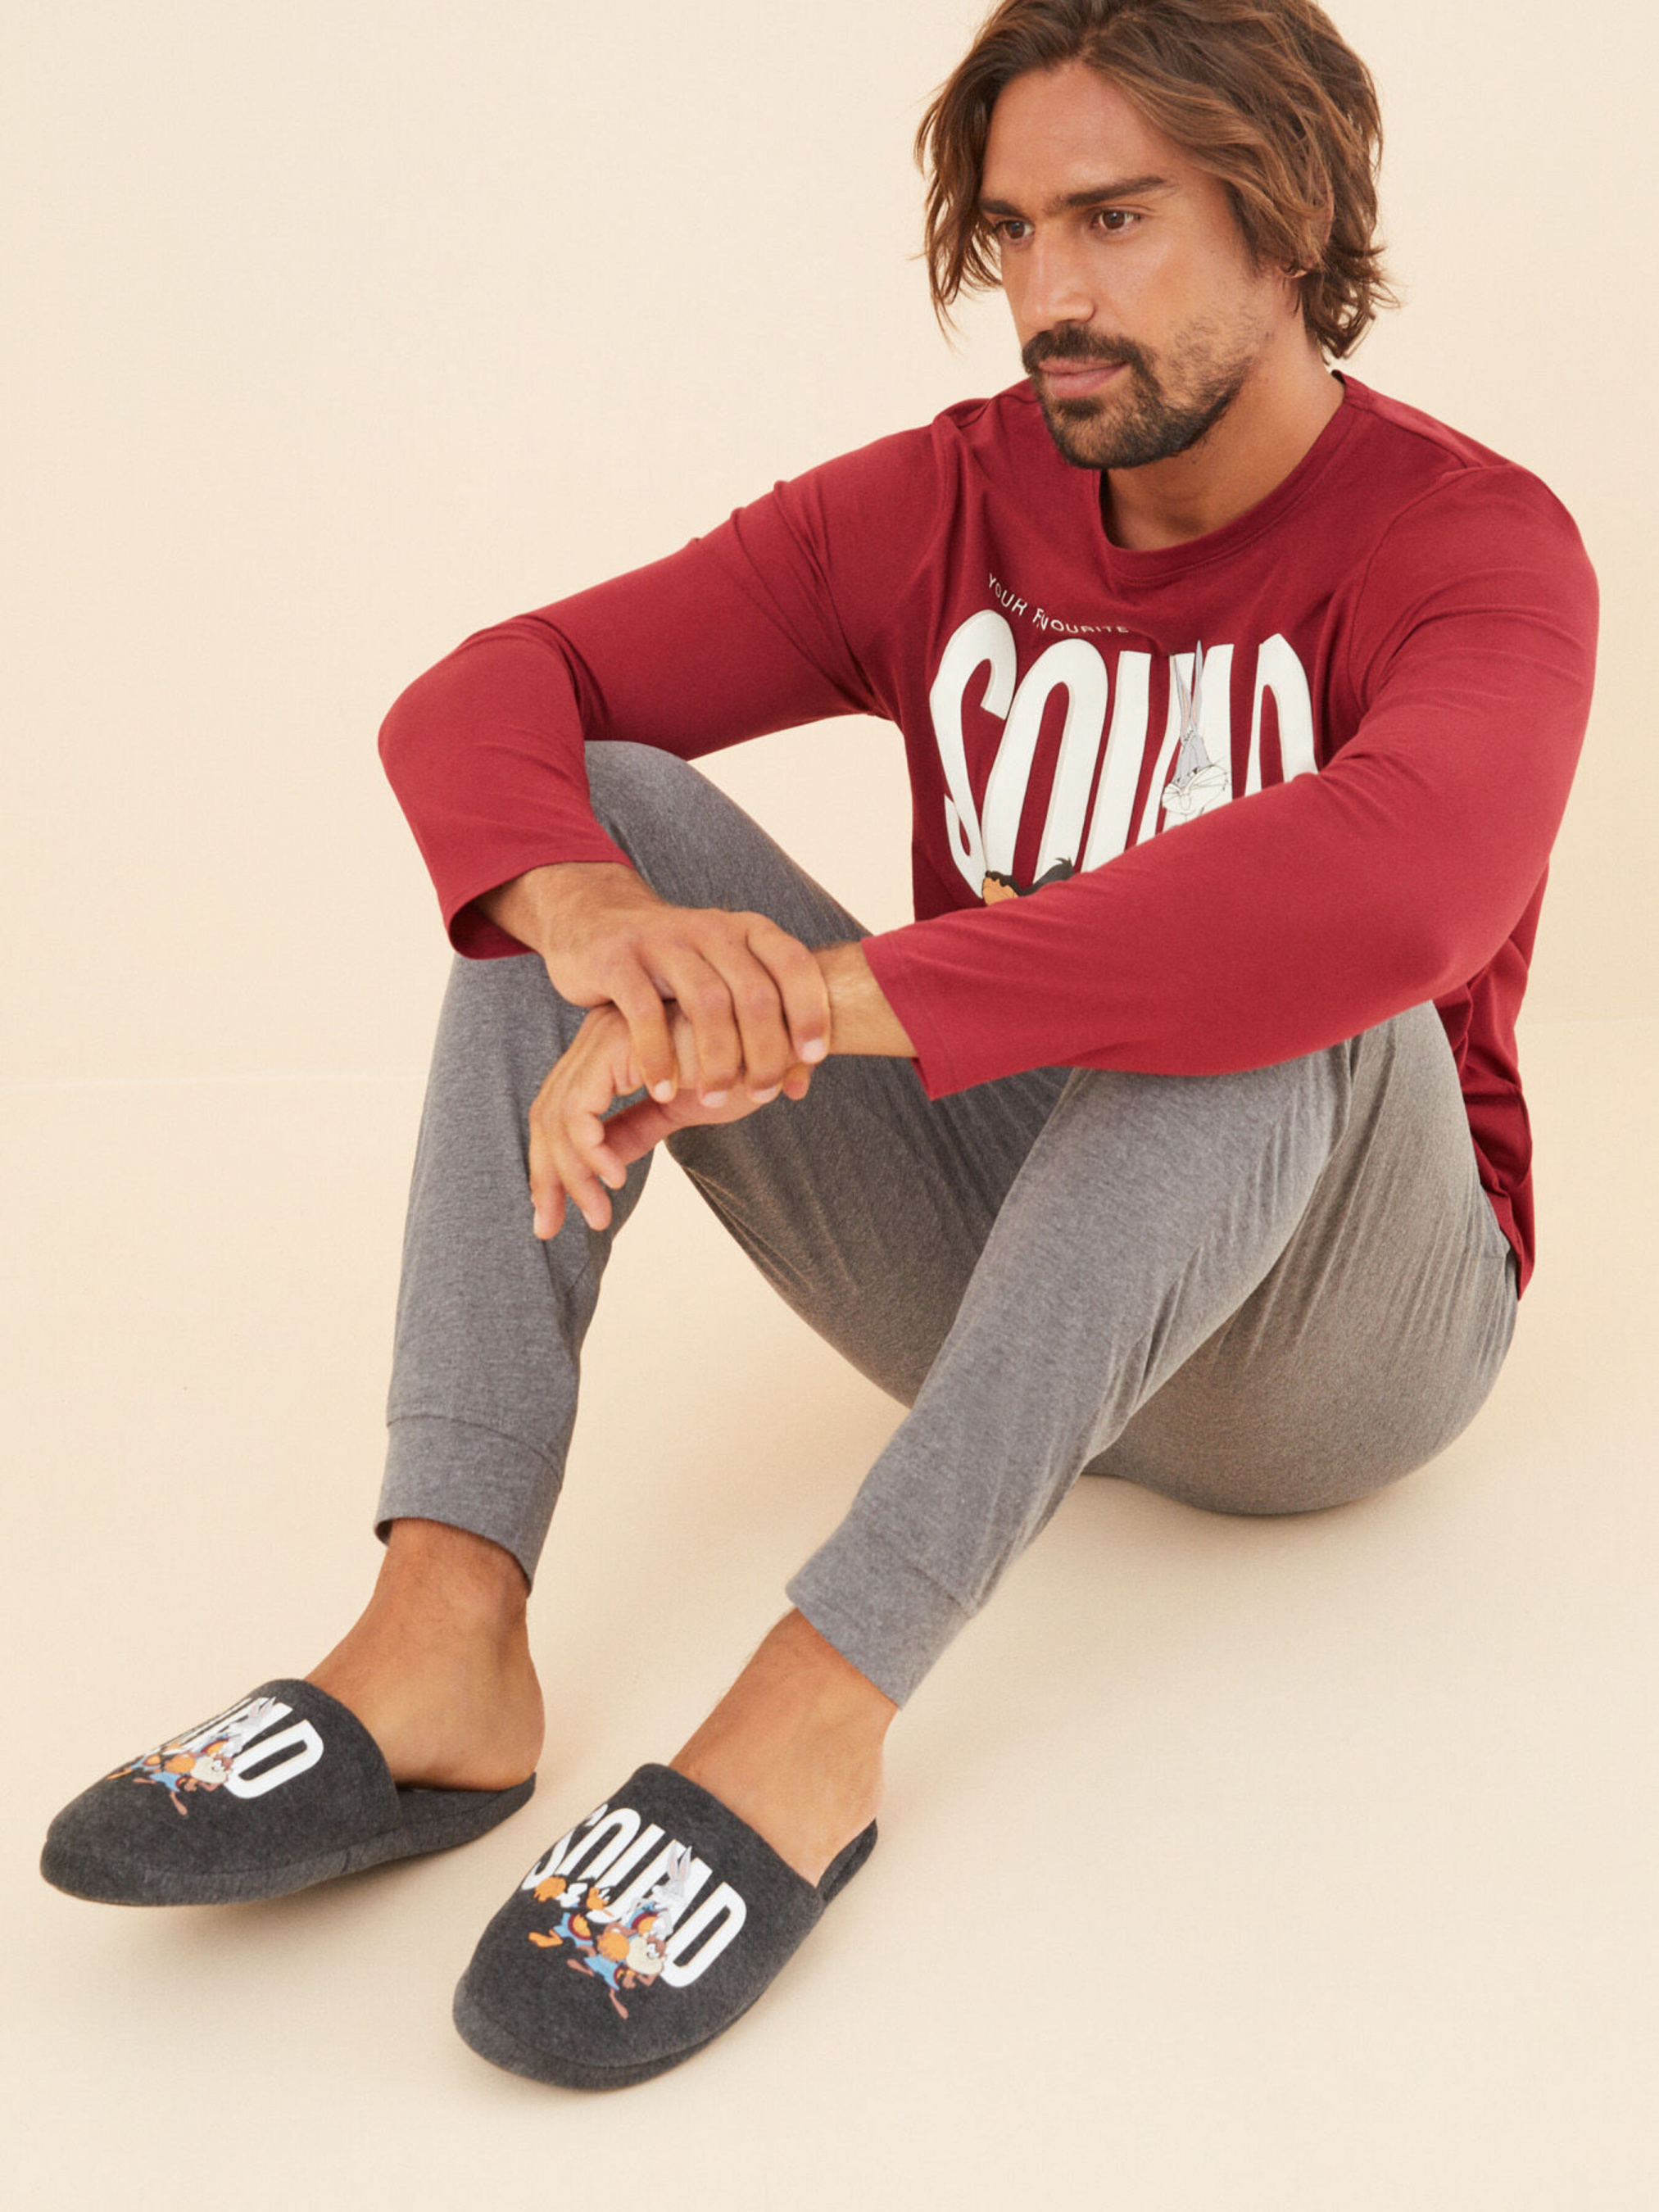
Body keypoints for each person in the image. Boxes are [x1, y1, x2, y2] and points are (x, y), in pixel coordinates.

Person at [42, 0, 1597, 2091]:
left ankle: (814, 1703)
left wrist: (815, 1004)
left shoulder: (1471, 543)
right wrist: (605, 926)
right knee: (587, 828)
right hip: (1002, 1279)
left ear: (1288, 218)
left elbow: (1397, 895)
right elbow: (491, 690)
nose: (1046, 295)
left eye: (1115, 219)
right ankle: (443, 1630)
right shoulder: (949, 503)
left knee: (1271, 970)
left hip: (1333, 1350)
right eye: (1014, 230)